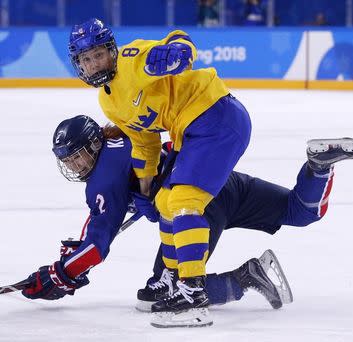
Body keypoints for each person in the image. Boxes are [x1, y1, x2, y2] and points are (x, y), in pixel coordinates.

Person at [21, 115, 353, 327]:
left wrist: (62, 273)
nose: (76, 166)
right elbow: (97, 225)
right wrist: (76, 255)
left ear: (95, 145)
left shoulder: (102, 178)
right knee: (300, 211)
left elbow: (98, 244)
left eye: (79, 156)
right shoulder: (120, 136)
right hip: (218, 181)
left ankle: (246, 278)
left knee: (162, 292)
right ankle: (319, 167)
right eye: (69, 161)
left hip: (192, 210)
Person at [67, 18, 252, 321]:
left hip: (216, 116)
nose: (94, 64)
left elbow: (183, 50)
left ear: (111, 51)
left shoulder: (132, 60)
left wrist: (178, 49)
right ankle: (171, 278)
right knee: (164, 202)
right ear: (79, 65)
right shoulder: (108, 102)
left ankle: (193, 291)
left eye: (98, 54)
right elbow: (145, 146)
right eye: (86, 59)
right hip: (189, 132)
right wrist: (145, 191)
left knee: (182, 202)